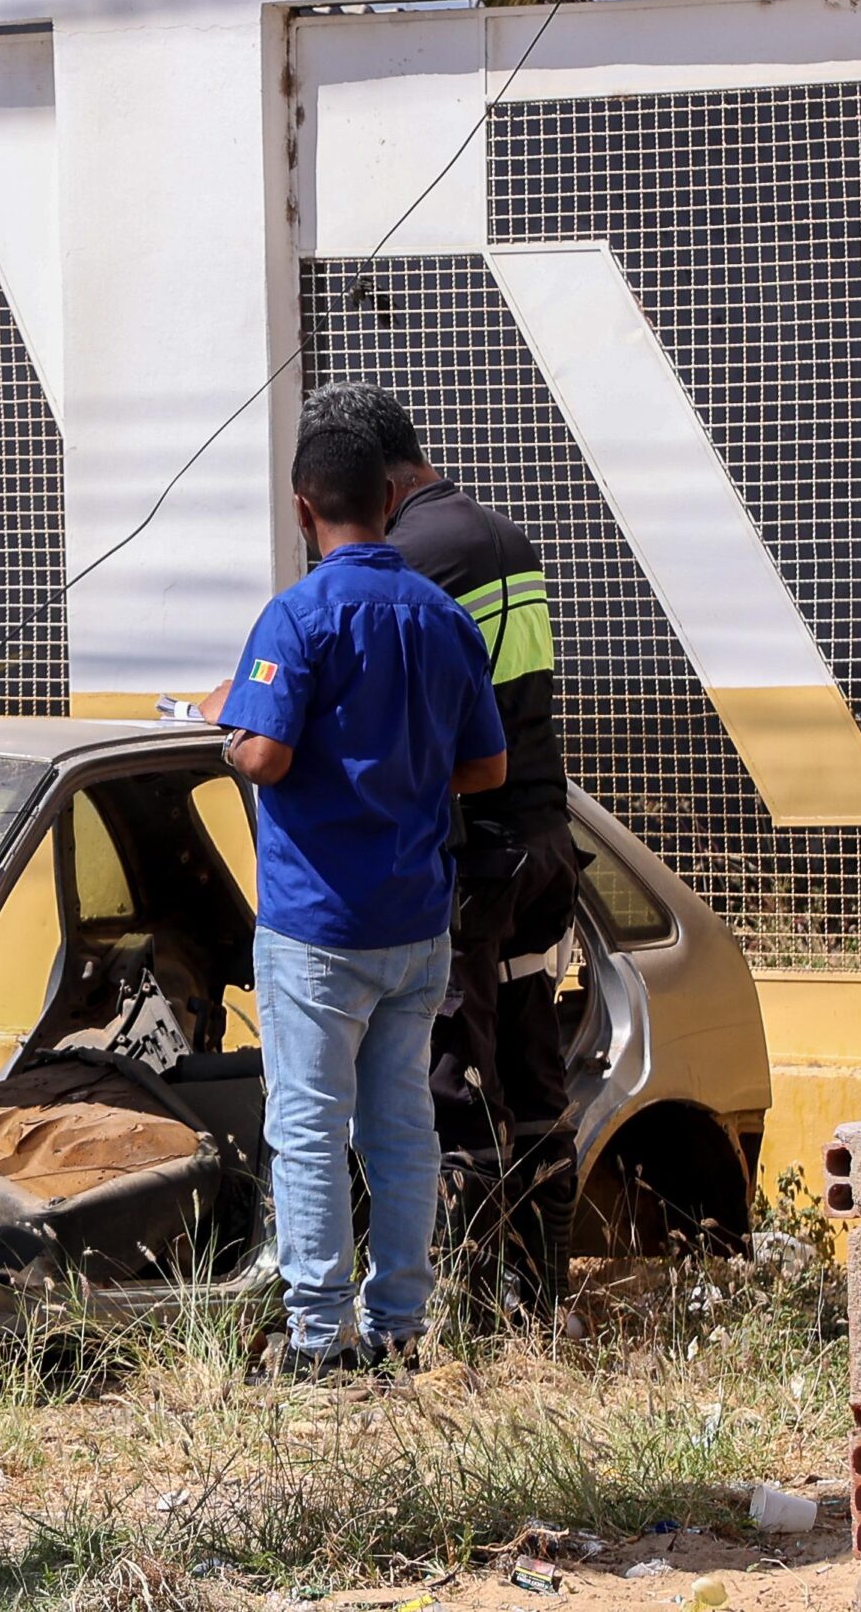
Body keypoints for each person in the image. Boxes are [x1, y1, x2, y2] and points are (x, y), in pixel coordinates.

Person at [201, 384, 507, 1377]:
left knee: (306, 1129)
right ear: (388, 495)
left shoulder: (296, 617)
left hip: (317, 926)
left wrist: (233, 732)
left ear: (302, 507)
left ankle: (317, 1337)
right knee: (399, 1127)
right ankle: (401, 1332)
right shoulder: (443, 619)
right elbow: (487, 769)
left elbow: (264, 759)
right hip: (416, 924)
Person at [344, 382, 581, 1325]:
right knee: (533, 1076)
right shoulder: (504, 536)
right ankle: (540, 1304)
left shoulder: (412, 560)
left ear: (385, 479)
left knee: (453, 1080)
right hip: (545, 845)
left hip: (475, 861)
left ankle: (475, 1319)